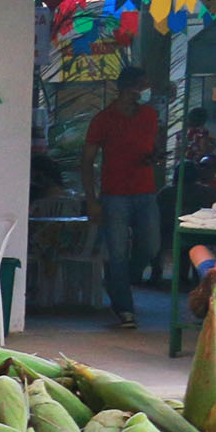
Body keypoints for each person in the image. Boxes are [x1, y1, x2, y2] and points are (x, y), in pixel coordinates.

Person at [83, 70, 162, 330]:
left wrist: (155, 157)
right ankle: (125, 309)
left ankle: (120, 281)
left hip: (145, 190)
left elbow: (153, 146)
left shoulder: (150, 116)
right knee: (116, 252)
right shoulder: (103, 120)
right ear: (128, 88)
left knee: (150, 245)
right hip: (114, 194)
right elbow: (87, 161)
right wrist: (92, 200)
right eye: (142, 87)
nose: (144, 93)